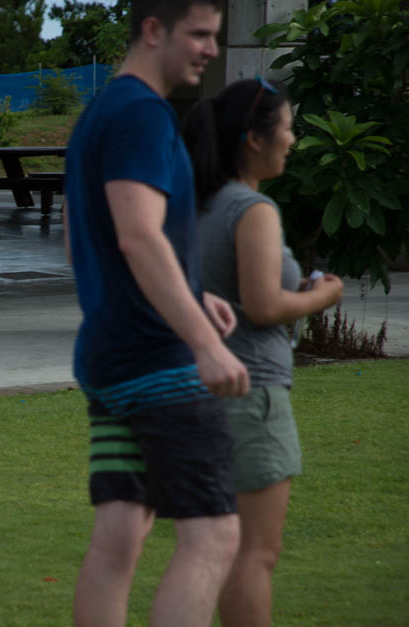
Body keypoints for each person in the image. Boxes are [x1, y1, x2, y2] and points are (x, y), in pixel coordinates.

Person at [63, 1, 251, 625]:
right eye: (198, 34)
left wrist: (194, 292)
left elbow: (79, 238)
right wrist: (203, 341)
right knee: (214, 534)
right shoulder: (141, 114)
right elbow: (139, 237)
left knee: (119, 532)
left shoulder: (100, 114)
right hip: (159, 365)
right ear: (152, 30)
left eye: (213, 36)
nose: (210, 50)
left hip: (111, 359)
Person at [183, 77, 344, 627]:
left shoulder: (198, 206)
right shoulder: (251, 209)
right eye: (289, 127)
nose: (294, 139)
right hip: (251, 396)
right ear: (254, 138)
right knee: (255, 555)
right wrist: (324, 294)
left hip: (200, 393)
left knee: (214, 551)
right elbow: (261, 305)